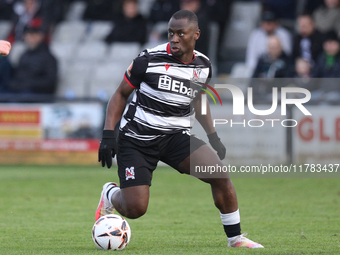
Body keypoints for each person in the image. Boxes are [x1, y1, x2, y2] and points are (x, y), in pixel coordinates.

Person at [97, 10, 264, 249]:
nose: (174, 39)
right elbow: (120, 94)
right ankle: (110, 194)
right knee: (136, 209)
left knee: (220, 175)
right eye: (171, 33)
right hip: (137, 139)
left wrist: (213, 136)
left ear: (195, 35)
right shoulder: (148, 60)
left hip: (175, 138)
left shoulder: (203, 66)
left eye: (180, 34)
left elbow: (198, 101)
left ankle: (235, 238)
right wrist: (108, 135)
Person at [8, 24, 58, 95]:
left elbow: (50, 81)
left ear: (40, 36)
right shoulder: (24, 55)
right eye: (28, 35)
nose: (30, 38)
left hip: (37, 93)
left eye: (33, 34)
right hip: (19, 90)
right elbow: (18, 75)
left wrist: (28, 84)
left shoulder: (49, 58)